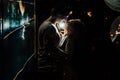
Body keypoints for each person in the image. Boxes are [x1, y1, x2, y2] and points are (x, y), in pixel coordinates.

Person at [37, 5, 72, 80]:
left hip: (47, 66)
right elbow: (51, 49)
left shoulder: (48, 25)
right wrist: (67, 56)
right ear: (59, 15)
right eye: (66, 16)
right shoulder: (49, 27)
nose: (66, 19)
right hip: (48, 67)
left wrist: (61, 36)